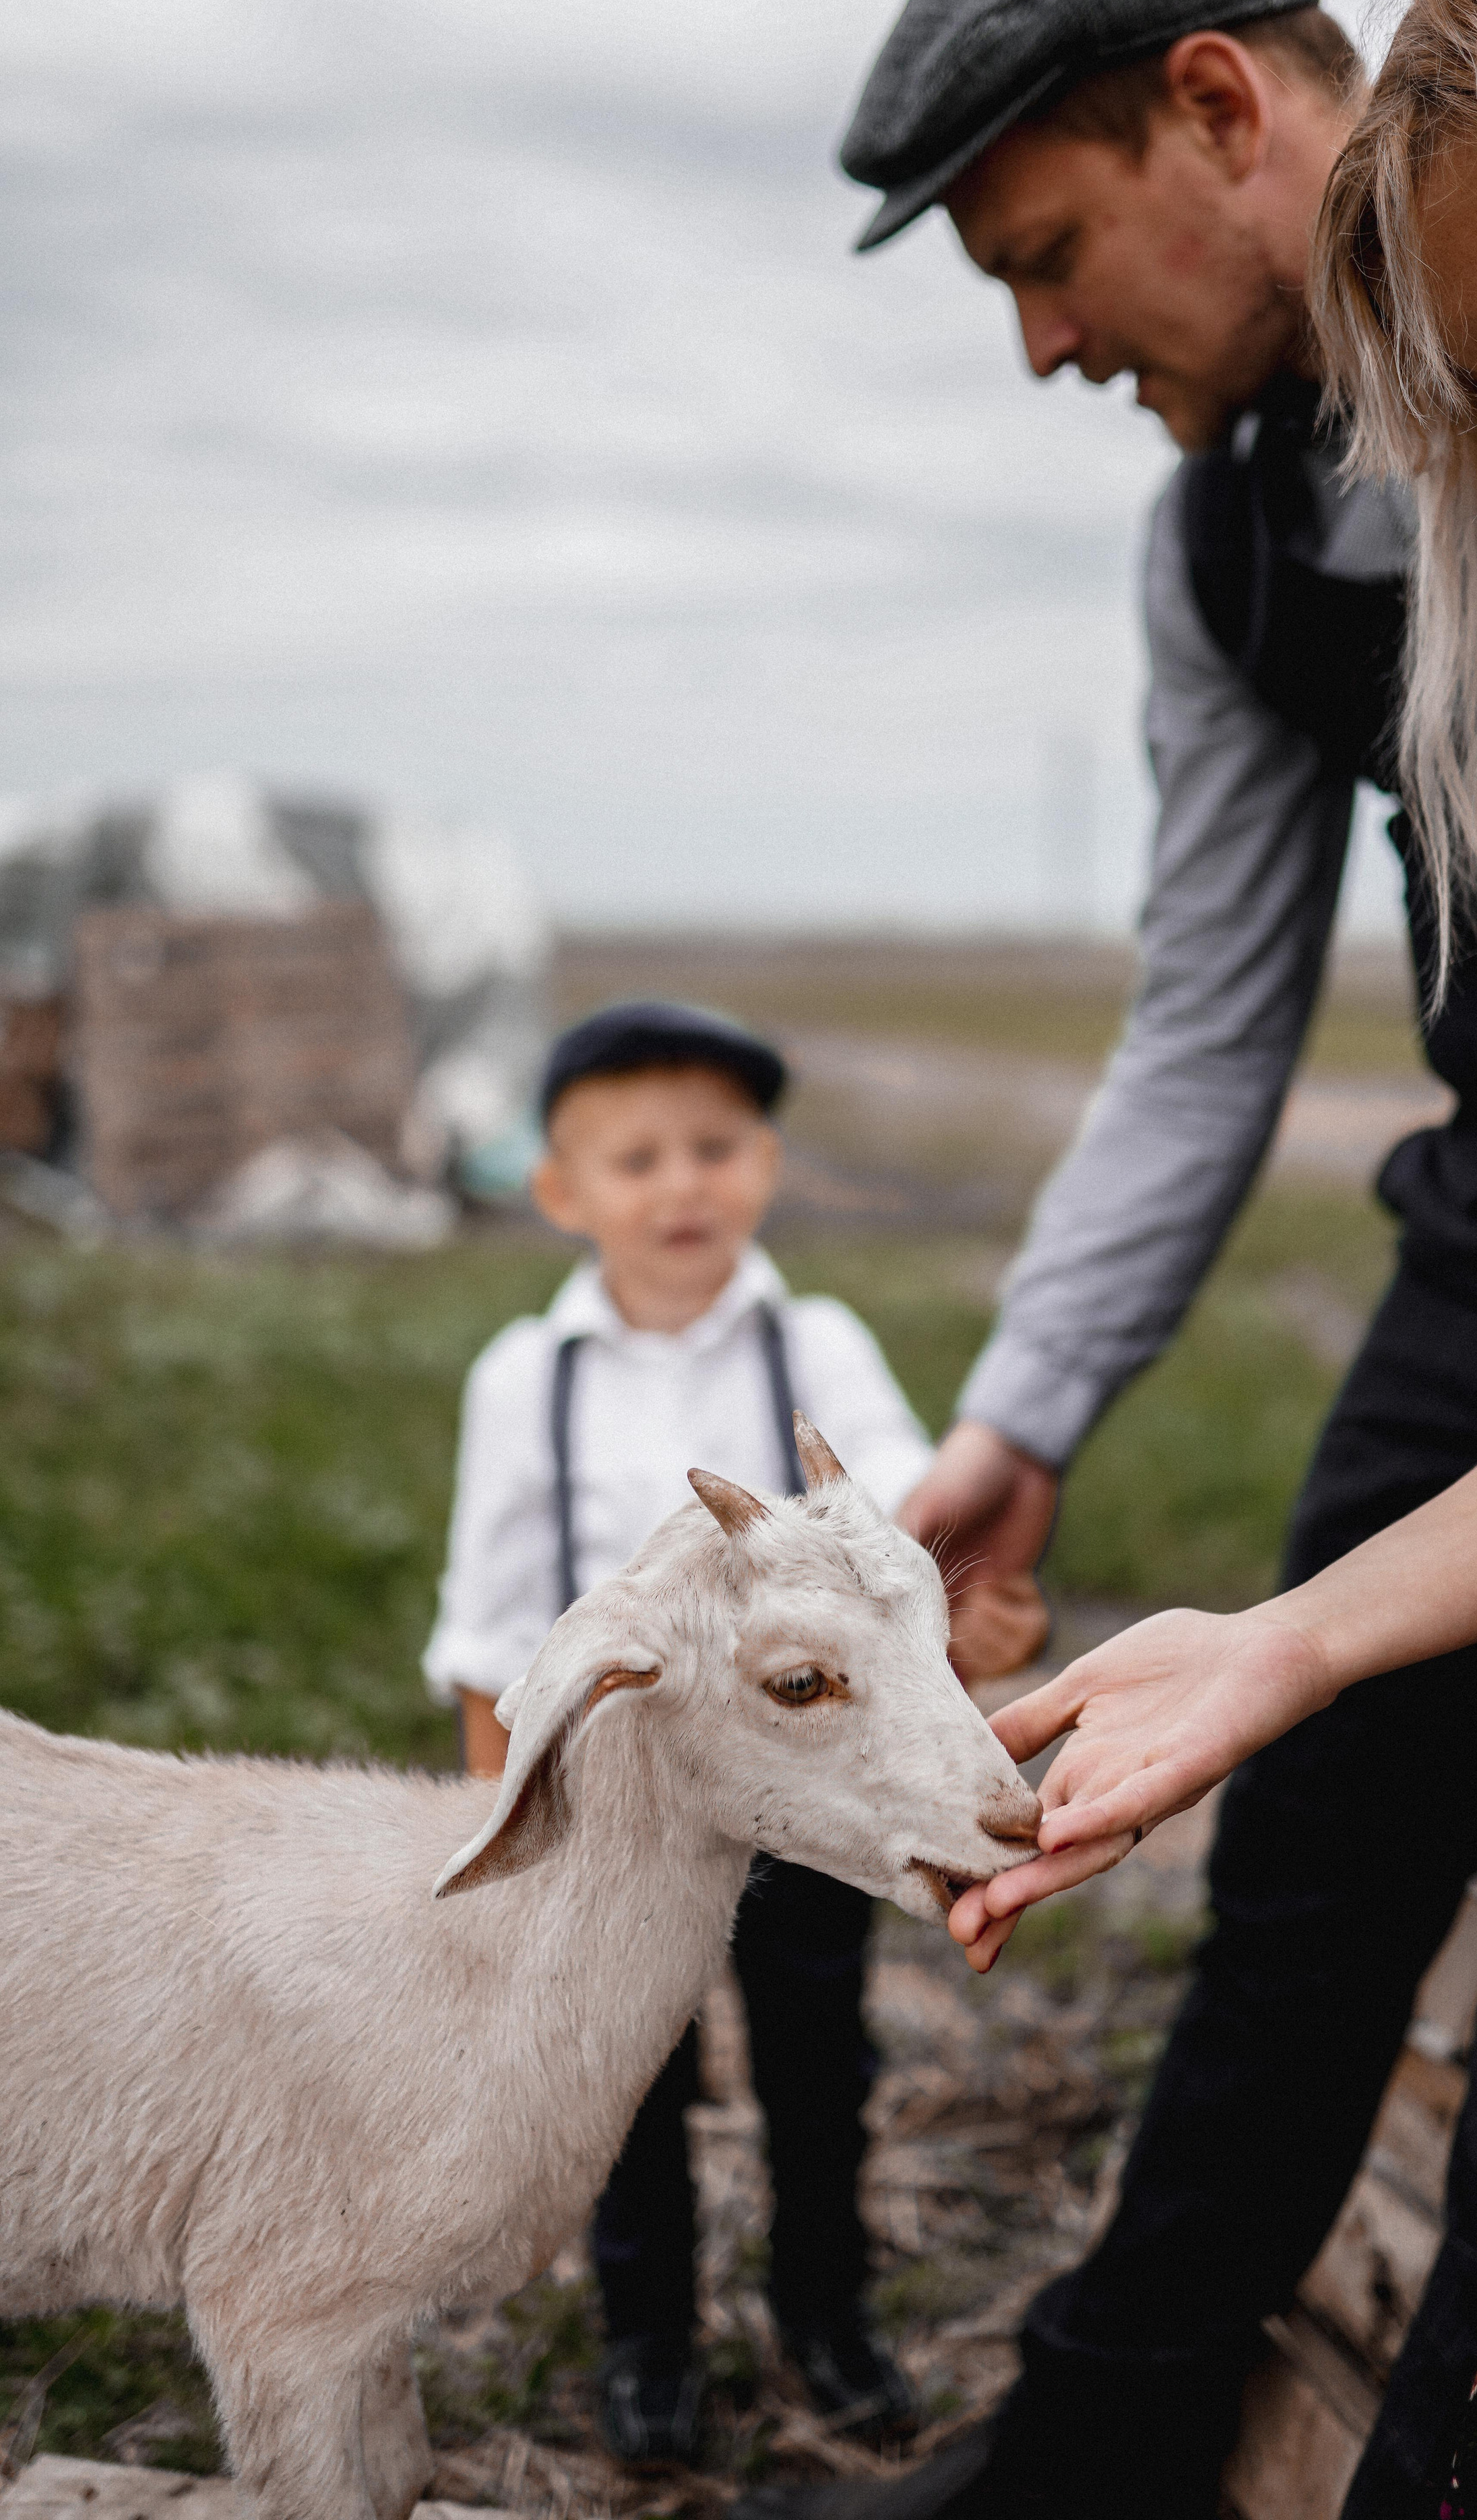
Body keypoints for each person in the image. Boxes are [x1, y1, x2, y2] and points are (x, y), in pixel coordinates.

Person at [736, 0, 1477, 2515]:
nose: (1045, 352)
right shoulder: (1227, 553)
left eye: (1041, 256)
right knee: (1302, 1860)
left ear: (1210, 109)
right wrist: (1028, 1421)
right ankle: (1116, 2423)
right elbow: (1203, 1025)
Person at [422, 1000, 1038, 2466]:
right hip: (628, 1816)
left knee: (817, 2067)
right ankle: (649, 2340)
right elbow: (491, 1605)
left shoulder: (813, 1345)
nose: (681, 1185)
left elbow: (897, 1525)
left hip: (803, 1792)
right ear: (562, 1193)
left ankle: (826, 2313)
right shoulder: (528, 1376)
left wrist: (976, 1615)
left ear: (764, 1164)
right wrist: (492, 1794)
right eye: (636, 1160)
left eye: (713, 1148)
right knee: (626, 2078)